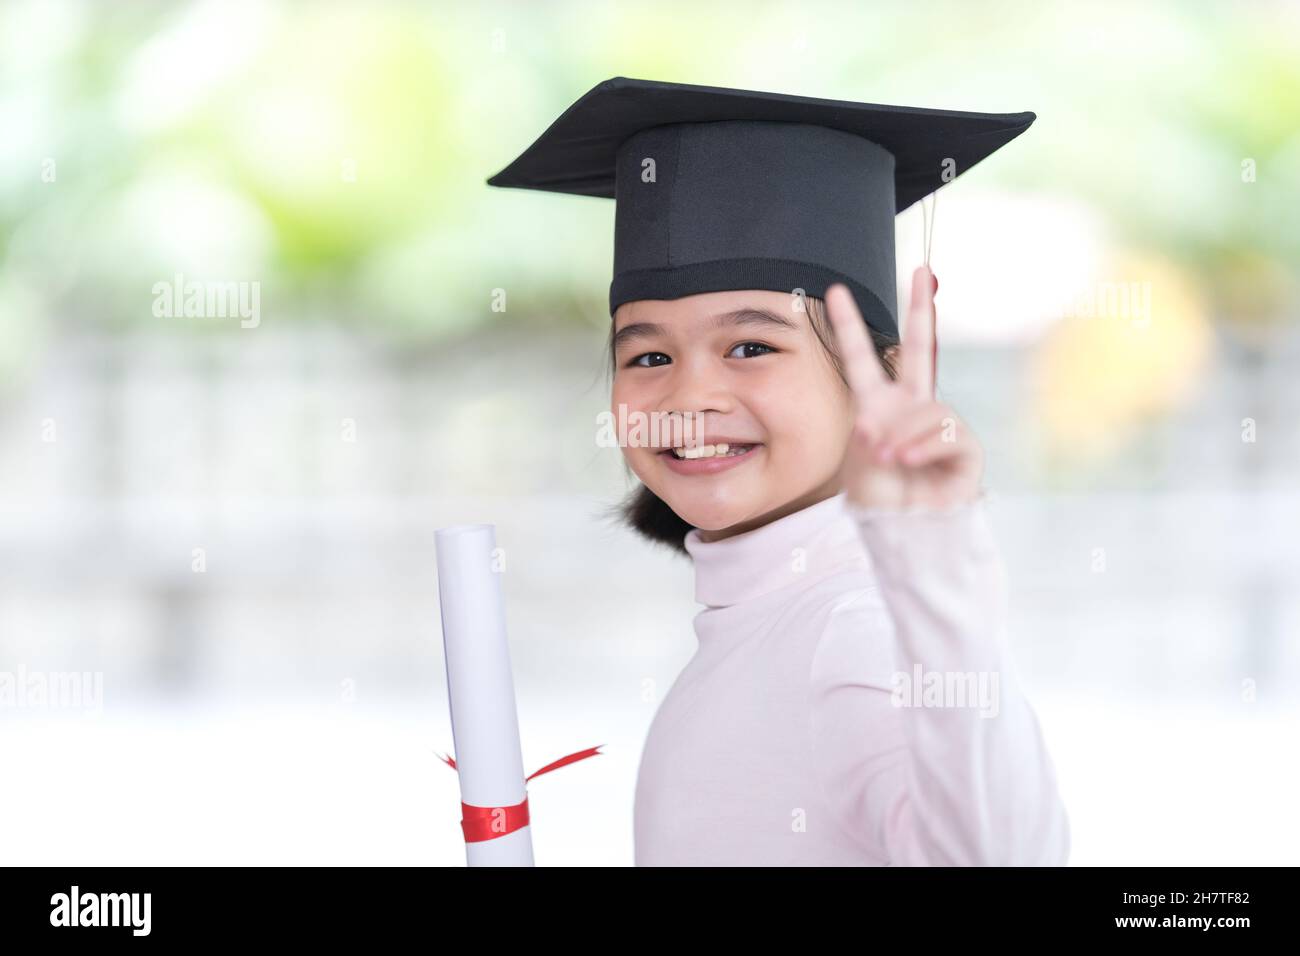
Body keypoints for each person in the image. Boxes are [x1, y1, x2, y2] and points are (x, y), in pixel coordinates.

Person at [489, 77, 1070, 865]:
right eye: (650, 354)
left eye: (752, 346)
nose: (690, 394)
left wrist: (935, 562)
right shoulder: (758, 623)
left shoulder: (860, 630)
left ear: (887, 374)